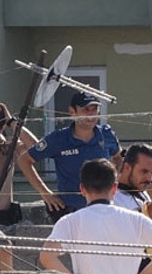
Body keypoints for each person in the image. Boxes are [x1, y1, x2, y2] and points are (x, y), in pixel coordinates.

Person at [18, 92, 122, 222]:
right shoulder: (58, 139)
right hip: (70, 209)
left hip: (103, 207)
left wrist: (113, 178)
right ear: (72, 111)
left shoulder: (107, 134)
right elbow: (24, 160)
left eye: (95, 109)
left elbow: (119, 157)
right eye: (86, 109)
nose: (91, 114)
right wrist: (45, 193)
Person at [114, 143, 152, 212]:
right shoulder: (112, 199)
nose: (149, 179)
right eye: (144, 171)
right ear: (127, 167)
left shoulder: (142, 192)